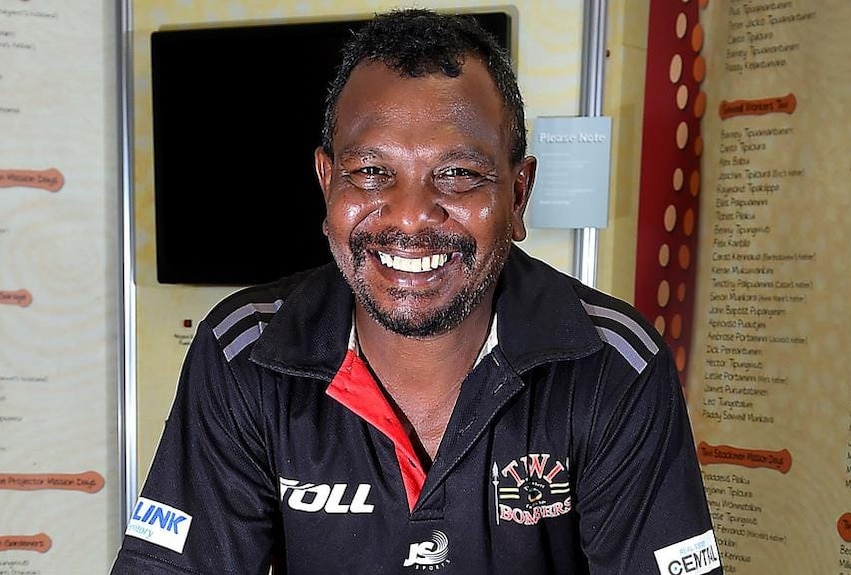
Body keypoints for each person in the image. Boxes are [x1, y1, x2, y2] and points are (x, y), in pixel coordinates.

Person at [111, 8, 721, 575]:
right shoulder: (246, 351)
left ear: (519, 194)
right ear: (327, 184)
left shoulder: (611, 364)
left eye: (457, 175)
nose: (409, 217)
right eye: (372, 172)